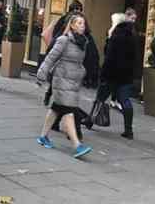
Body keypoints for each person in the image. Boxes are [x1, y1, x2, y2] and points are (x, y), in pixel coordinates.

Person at [36, 14, 93, 159]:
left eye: (83, 23)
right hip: (61, 80)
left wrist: (82, 71)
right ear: (72, 25)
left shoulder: (83, 42)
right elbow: (51, 57)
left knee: (56, 108)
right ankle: (77, 145)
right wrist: (41, 74)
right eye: (79, 23)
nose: (82, 26)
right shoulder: (63, 40)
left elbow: (79, 63)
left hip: (73, 81)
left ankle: (43, 136)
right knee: (69, 112)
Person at [88, 12, 138, 139]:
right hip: (126, 75)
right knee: (125, 101)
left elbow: (108, 56)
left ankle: (89, 121)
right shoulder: (132, 36)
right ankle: (129, 130)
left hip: (111, 74)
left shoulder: (115, 36)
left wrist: (103, 74)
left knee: (100, 98)